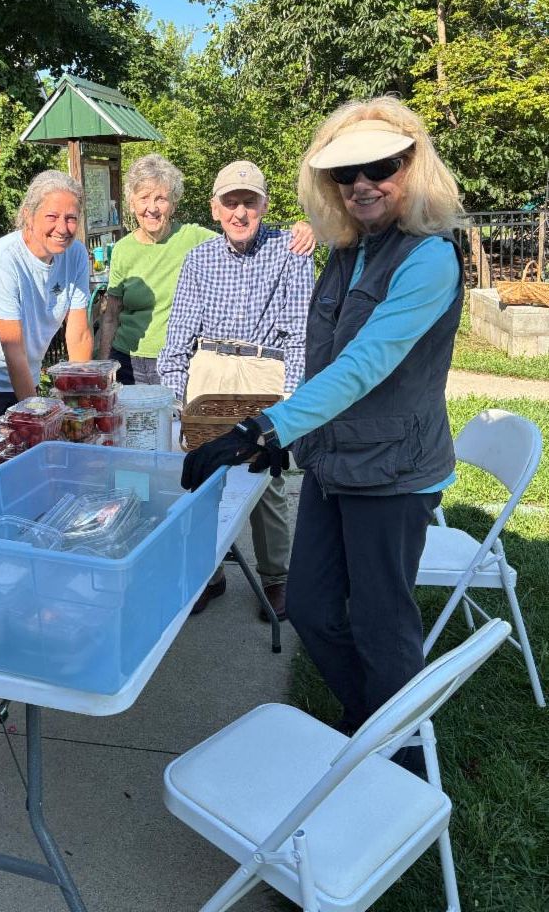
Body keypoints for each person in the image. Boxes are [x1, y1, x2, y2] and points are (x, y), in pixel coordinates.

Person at [182, 98, 465, 775]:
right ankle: (368, 716)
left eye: (381, 167)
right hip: (334, 461)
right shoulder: (348, 251)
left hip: (393, 471)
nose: (363, 184)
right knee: (309, 608)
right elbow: (322, 360)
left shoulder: (429, 258)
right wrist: (291, 437)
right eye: (346, 173)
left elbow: (365, 364)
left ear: (413, 167)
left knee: (381, 622)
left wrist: (263, 428)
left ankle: (401, 763)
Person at [159, 160, 315, 619]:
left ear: (264, 206)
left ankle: (276, 577)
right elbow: (179, 334)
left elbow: (299, 335)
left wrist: (288, 400)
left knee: (266, 478)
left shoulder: (291, 250)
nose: (240, 212)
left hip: (263, 370)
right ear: (215, 208)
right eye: (231, 202)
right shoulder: (199, 259)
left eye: (249, 202)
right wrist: (176, 395)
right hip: (208, 371)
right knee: (202, 474)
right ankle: (209, 573)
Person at [0, 170, 93, 428]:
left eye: (71, 218)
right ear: (28, 215)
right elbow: (13, 348)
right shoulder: (3, 260)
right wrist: (39, 418)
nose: (62, 228)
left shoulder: (76, 254)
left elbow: (79, 334)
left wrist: (79, 404)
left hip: (27, 374)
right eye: (52, 217)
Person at [97, 154, 216, 384]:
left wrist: (292, 235)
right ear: (132, 203)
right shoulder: (122, 250)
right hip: (127, 361)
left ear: (173, 204)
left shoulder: (193, 238)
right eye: (143, 198)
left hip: (178, 361)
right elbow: (111, 316)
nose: (152, 208)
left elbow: (237, 238)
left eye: (161, 199)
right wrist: (103, 368)